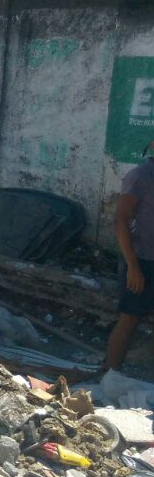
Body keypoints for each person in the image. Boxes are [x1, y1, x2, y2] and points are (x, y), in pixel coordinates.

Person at [105, 141, 154, 370]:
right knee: (129, 318)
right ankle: (109, 375)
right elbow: (121, 220)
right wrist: (133, 266)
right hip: (143, 260)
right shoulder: (140, 177)